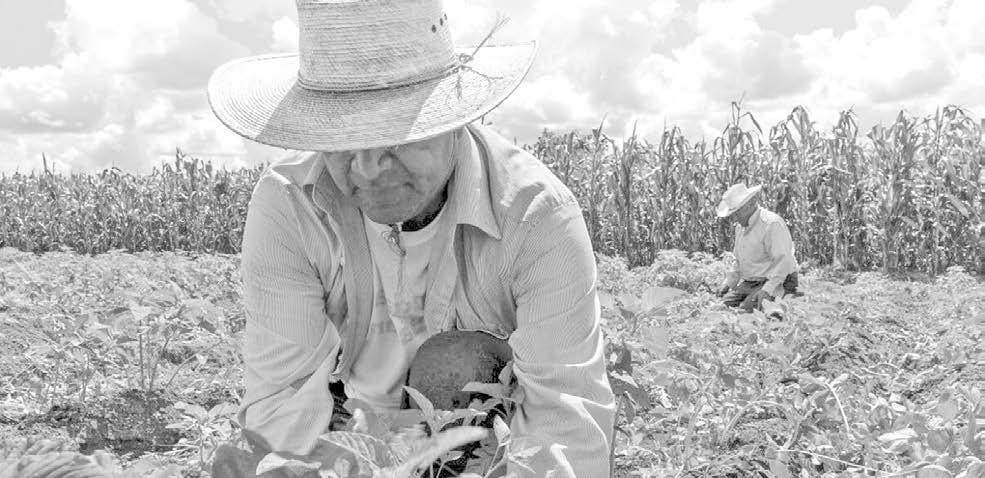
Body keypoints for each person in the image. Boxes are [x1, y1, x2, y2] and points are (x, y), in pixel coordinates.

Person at [206, 1, 615, 476]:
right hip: (350, 434)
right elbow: (285, 401)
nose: (366, 170)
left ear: (454, 120)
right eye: (340, 142)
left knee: (456, 363)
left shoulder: (535, 214)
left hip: (481, 442)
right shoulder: (289, 204)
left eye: (396, 137)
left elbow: (564, 426)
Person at [715, 183, 800, 312]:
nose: (735, 218)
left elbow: (783, 262)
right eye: (733, 214)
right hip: (751, 282)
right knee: (722, 306)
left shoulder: (771, 224)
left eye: (738, 212)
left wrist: (767, 290)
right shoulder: (740, 228)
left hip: (779, 280)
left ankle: (780, 301)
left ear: (751, 203)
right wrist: (728, 283)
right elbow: (738, 261)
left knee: (745, 311)